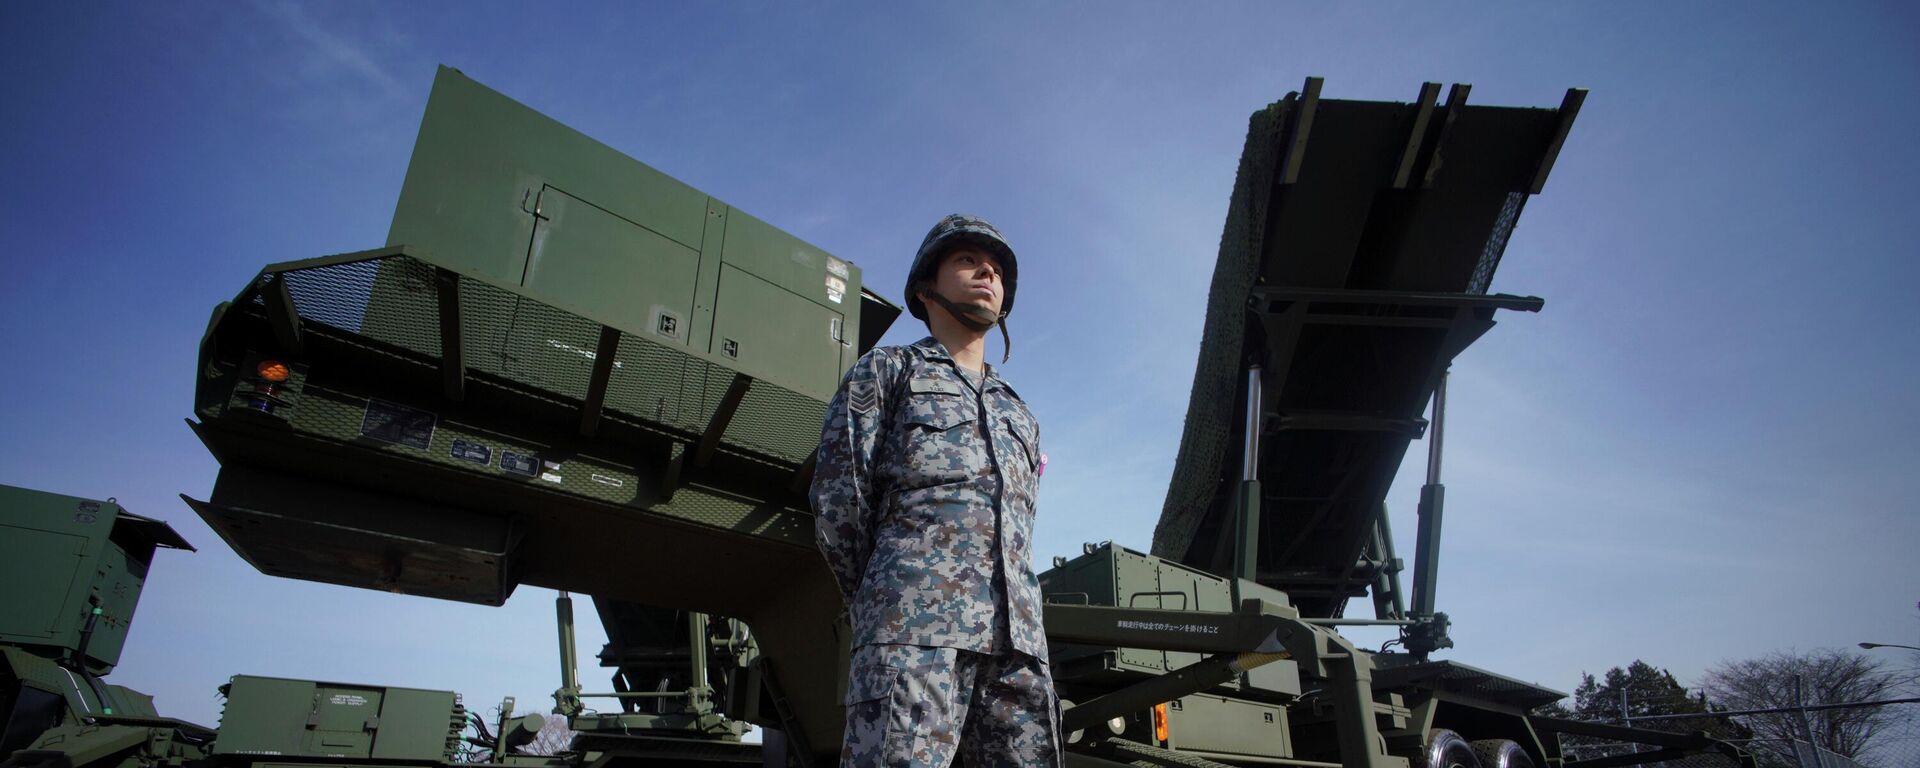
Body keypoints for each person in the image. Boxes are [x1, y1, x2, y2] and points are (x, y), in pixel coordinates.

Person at [811, 214, 1060, 767]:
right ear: (926, 286)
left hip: (1017, 650)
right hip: (912, 636)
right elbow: (837, 501)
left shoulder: (1018, 410)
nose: (987, 273)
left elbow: (1020, 525)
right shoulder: (888, 371)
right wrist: (891, 596)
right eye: (967, 261)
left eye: (995, 269)